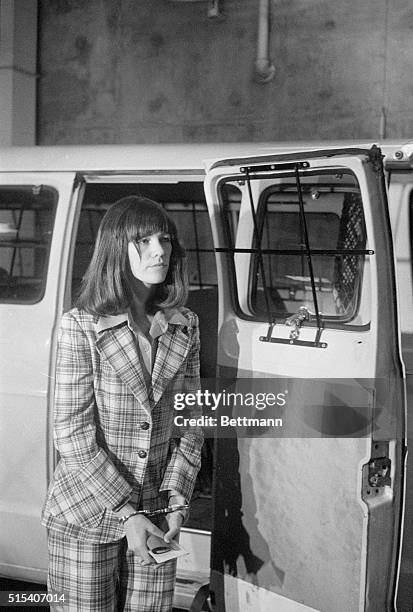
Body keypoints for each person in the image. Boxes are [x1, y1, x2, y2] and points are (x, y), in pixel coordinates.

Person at [41, 196, 203, 611]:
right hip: (87, 509)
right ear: (117, 248)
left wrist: (178, 501)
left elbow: (192, 421)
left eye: (164, 239)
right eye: (143, 240)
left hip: (158, 513)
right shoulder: (81, 326)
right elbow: (71, 433)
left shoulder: (185, 324)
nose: (159, 250)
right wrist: (127, 512)